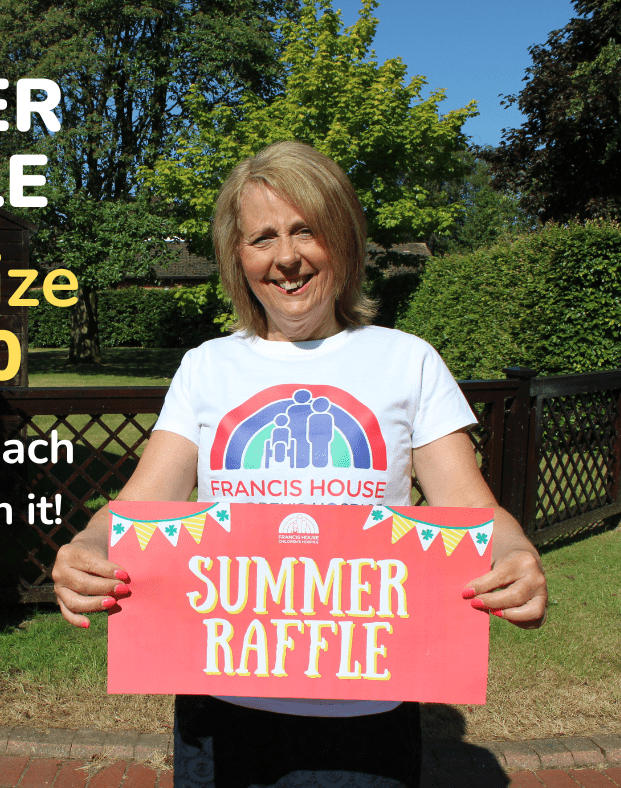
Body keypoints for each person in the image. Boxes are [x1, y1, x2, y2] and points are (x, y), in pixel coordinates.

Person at [52, 141, 548, 788]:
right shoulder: (208, 366)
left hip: (368, 708)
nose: (285, 257)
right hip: (220, 704)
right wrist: (88, 545)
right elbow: (145, 502)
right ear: (238, 258)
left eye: (304, 230)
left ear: (340, 239)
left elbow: (472, 509)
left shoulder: (407, 360)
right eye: (261, 238)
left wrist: (514, 556)